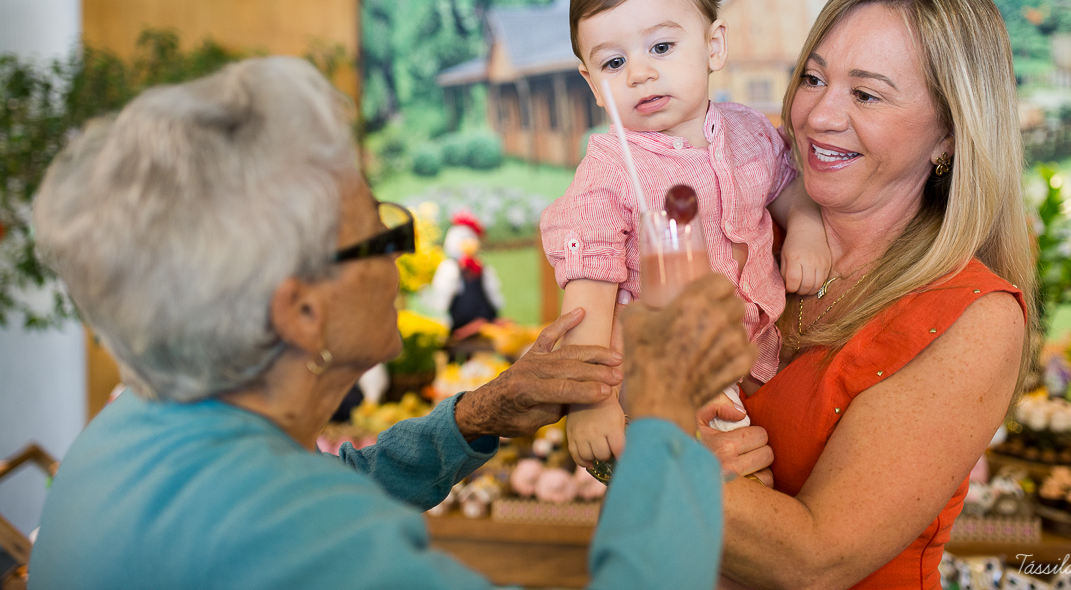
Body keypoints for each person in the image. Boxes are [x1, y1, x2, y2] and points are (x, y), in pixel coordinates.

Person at [26, 56, 755, 590]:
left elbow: (334, 481)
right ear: (302, 311)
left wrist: (486, 412)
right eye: (381, 234)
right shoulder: (298, 541)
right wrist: (660, 409)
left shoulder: (133, 427)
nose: (404, 254)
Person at [710, 0, 1039, 589]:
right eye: (812, 78)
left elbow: (813, 561)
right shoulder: (747, 234)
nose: (817, 116)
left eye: (866, 94)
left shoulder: (971, 316)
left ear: (948, 134)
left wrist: (654, 447)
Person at [540, 0, 831, 466]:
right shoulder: (608, 171)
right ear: (591, 82)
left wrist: (806, 228)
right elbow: (588, 297)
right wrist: (591, 402)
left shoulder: (748, 130)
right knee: (729, 486)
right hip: (663, 375)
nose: (640, 73)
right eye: (613, 61)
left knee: (778, 464)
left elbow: (787, 188)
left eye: (660, 48)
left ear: (713, 45)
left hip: (755, 354)